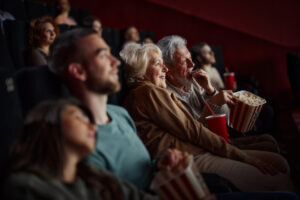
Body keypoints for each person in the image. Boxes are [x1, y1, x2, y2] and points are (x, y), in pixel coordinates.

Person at [120, 42, 294, 192]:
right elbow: (194, 130)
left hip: (198, 150)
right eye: (158, 64)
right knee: (277, 178)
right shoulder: (149, 92)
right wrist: (243, 156)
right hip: (187, 159)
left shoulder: (149, 92)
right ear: (141, 71)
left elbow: (194, 127)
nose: (164, 68)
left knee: (279, 162)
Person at [47, 28, 195, 191]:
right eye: (103, 55)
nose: (116, 61)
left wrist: (159, 164)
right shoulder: (77, 140)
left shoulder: (120, 114)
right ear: (78, 71)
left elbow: (138, 174)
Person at [2, 99, 160, 200]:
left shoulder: (94, 175)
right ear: (49, 126)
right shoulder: (25, 187)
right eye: (79, 118)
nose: (92, 126)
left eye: (89, 120)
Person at [158, 36, 279, 153]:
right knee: (274, 153)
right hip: (208, 148)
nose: (192, 64)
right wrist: (213, 103)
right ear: (167, 69)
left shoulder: (194, 81)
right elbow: (194, 137)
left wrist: (210, 90)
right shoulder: (166, 97)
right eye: (185, 62)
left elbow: (226, 118)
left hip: (223, 140)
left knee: (270, 140)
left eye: (190, 58)